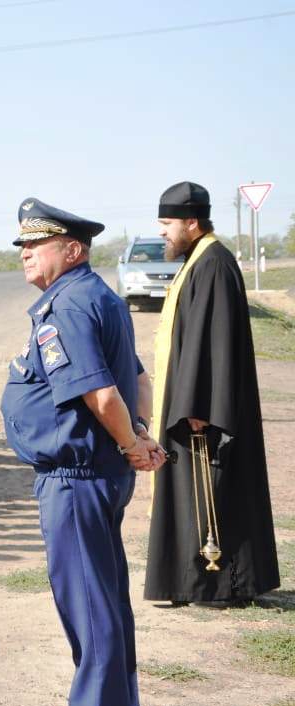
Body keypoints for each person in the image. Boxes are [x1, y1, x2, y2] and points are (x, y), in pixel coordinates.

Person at [0, 197, 165, 706]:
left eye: (37, 243)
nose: (25, 252)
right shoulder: (96, 296)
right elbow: (138, 379)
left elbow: (102, 394)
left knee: (90, 612)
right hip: (95, 474)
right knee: (104, 603)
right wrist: (138, 434)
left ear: (72, 250)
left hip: (76, 479)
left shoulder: (67, 306)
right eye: (23, 244)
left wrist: (131, 443)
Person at [145, 181, 280, 605]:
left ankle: (218, 585)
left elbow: (213, 342)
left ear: (192, 222)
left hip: (201, 409)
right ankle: (190, 583)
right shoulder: (198, 261)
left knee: (210, 492)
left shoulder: (214, 264)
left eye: (167, 224)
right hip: (189, 401)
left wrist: (198, 403)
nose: (162, 232)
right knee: (190, 494)